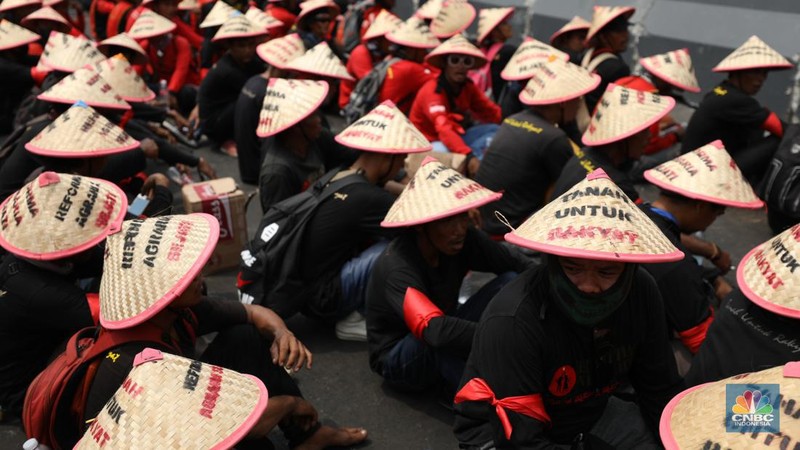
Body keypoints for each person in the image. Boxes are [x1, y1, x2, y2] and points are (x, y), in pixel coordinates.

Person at [65, 214, 369, 449]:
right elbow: (246, 426)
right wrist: (291, 404)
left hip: (178, 414)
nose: (200, 274)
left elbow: (252, 312)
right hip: (152, 436)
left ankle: (308, 436)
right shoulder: (140, 362)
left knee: (244, 335)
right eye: (187, 273)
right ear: (162, 290)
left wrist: (282, 333)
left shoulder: (176, 310)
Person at [453, 169, 684, 448]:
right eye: (573, 268)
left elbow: (659, 387)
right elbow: (522, 441)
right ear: (553, 261)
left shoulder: (642, 291)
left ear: (629, 268)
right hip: (501, 435)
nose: (588, 286)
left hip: (589, 413)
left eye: (606, 272)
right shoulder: (514, 319)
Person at [253, 100, 430, 341]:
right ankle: (354, 314)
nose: (401, 166)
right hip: (325, 299)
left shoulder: (339, 175)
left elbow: (382, 189)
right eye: (400, 160)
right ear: (387, 157)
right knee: (400, 246)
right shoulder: (369, 198)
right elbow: (419, 228)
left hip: (306, 289)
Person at [367, 157, 532, 397]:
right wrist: (499, 336)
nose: (459, 229)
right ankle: (482, 402)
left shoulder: (465, 238)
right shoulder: (397, 267)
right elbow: (433, 329)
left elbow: (515, 263)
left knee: (509, 282)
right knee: (439, 342)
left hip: (444, 322)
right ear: (422, 225)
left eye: (462, 216)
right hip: (400, 355)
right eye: (447, 220)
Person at [0, 172, 127, 421]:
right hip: (29, 391)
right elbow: (118, 310)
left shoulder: (37, 255)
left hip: (41, 337)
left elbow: (102, 254)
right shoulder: (39, 293)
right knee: (123, 348)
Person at [640, 140, 764, 371]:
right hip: (639, 351)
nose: (712, 221)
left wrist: (713, 278)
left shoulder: (639, 212)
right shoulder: (675, 264)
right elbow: (704, 344)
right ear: (699, 206)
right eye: (716, 214)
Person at [475, 57, 600, 237]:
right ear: (564, 102)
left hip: (485, 222)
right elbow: (575, 185)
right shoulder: (554, 138)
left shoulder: (514, 119)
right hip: (508, 229)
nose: (580, 104)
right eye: (578, 99)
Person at [683, 224, 800, 387]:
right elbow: (751, 409)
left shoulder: (738, 298)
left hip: (695, 392)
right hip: (741, 405)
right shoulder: (786, 355)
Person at [681, 35, 792, 186]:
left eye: (764, 74)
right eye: (755, 72)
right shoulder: (736, 100)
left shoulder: (721, 89)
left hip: (698, 165)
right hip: (706, 173)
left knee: (756, 126)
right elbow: (783, 130)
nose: (760, 80)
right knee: (779, 139)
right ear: (737, 72)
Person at [553, 82, 675, 203]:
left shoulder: (582, 153)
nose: (649, 136)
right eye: (644, 131)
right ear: (625, 136)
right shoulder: (618, 186)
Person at [256, 78, 356, 211]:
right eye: (313, 116)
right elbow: (279, 224)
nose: (319, 120)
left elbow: (352, 153)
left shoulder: (317, 137)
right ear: (296, 126)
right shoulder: (277, 173)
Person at [409, 34, 501, 168]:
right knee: (442, 150)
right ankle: (472, 164)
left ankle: (473, 162)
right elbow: (444, 129)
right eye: (455, 60)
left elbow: (491, 112)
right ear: (445, 64)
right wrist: (469, 155)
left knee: (496, 130)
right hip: (430, 143)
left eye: (466, 62)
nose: (461, 66)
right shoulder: (432, 91)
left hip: (456, 136)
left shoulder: (468, 87)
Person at [198, 14, 268, 157]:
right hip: (215, 123)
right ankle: (226, 140)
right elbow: (260, 91)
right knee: (249, 99)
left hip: (227, 109)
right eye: (242, 46)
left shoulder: (250, 61)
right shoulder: (227, 69)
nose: (247, 49)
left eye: (250, 45)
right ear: (230, 47)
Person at [616, 48, 701, 162]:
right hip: (623, 155)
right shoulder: (651, 98)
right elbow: (648, 146)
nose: (670, 92)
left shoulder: (626, 81)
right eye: (670, 87)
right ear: (663, 81)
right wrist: (675, 136)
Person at [337, 9, 400, 110]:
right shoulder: (361, 52)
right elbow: (371, 83)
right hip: (351, 105)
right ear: (380, 38)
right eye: (390, 38)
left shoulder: (383, 54)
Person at [378, 15, 438, 114]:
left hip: (380, 113)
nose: (425, 53)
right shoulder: (411, 69)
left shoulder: (392, 60)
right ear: (412, 50)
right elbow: (439, 81)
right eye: (423, 49)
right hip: (392, 120)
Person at [580, 5, 635, 112]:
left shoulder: (587, 54)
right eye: (618, 31)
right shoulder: (618, 68)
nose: (625, 36)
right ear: (603, 37)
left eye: (625, 29)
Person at [471, 7, 515, 102]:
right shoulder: (508, 51)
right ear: (495, 31)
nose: (509, 26)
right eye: (505, 24)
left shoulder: (481, 48)